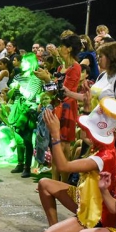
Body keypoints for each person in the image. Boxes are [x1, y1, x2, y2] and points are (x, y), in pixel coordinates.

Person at [32, 98, 116, 232]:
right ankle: (54, 228)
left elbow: (63, 166)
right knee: (44, 184)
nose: (86, 133)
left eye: (89, 130)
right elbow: (85, 136)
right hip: (84, 199)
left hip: (95, 214)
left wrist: (55, 134)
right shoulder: (106, 143)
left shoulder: (101, 158)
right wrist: (88, 108)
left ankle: (91, 231)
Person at [35, 33, 82, 183]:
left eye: (62, 46)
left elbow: (64, 92)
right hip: (57, 107)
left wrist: (48, 79)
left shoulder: (75, 67)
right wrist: (45, 79)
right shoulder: (61, 67)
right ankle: (55, 182)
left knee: (63, 146)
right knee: (54, 146)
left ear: (68, 49)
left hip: (67, 109)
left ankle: (63, 183)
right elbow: (52, 91)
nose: (59, 48)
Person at [7, 53, 43, 178]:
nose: (22, 64)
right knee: (17, 137)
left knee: (27, 139)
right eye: (22, 62)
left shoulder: (36, 79)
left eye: (25, 62)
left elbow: (30, 96)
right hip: (17, 109)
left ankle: (27, 166)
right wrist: (12, 89)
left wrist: (19, 88)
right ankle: (20, 163)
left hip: (28, 110)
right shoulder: (17, 76)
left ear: (32, 63)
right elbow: (11, 95)